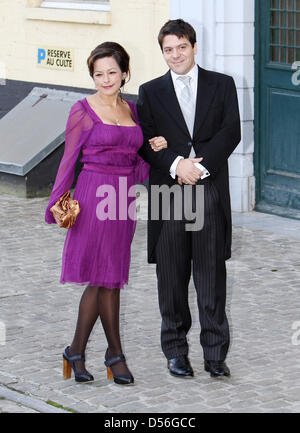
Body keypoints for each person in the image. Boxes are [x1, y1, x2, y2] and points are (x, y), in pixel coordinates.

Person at [44, 42, 167, 385]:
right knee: (105, 279)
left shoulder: (133, 110)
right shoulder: (82, 110)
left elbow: (137, 159)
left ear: (125, 73)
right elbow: (68, 161)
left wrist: (157, 151)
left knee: (109, 277)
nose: (106, 79)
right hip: (93, 196)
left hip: (122, 199)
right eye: (99, 74)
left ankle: (76, 352)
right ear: (93, 77)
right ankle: (114, 356)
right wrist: (56, 204)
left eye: (112, 72)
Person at [137, 19, 241, 378]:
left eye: (181, 46)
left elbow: (231, 132)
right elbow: (147, 142)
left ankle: (215, 354)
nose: (175, 54)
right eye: (168, 49)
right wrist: (176, 164)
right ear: (162, 52)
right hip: (169, 191)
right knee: (171, 274)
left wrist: (201, 168)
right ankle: (175, 351)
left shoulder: (222, 85)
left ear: (194, 46)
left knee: (211, 275)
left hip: (208, 188)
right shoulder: (150, 92)